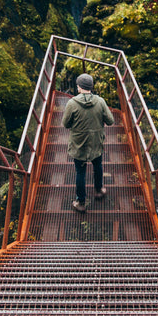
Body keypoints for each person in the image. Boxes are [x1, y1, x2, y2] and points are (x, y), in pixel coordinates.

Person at [62, 73, 114, 213]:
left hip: (79, 145)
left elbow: (65, 124)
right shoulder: (100, 101)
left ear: (79, 87)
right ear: (91, 87)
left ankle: (81, 202)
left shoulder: (72, 103)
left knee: (80, 172)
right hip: (96, 143)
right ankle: (98, 190)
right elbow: (110, 121)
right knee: (98, 166)